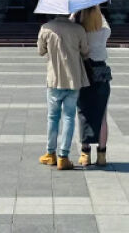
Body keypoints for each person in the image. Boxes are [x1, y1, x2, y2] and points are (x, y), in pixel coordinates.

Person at [37, 10, 90, 170]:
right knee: (69, 117)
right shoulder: (78, 29)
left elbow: (40, 51)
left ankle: (50, 154)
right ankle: (63, 156)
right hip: (73, 79)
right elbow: (85, 52)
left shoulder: (46, 28)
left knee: (52, 117)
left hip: (54, 79)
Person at [74, 5, 112, 167]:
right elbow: (104, 23)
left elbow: (70, 26)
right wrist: (98, 11)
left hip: (84, 70)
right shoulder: (104, 31)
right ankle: (102, 155)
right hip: (101, 71)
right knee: (102, 115)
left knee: (83, 112)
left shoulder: (79, 31)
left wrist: (74, 13)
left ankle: (85, 153)